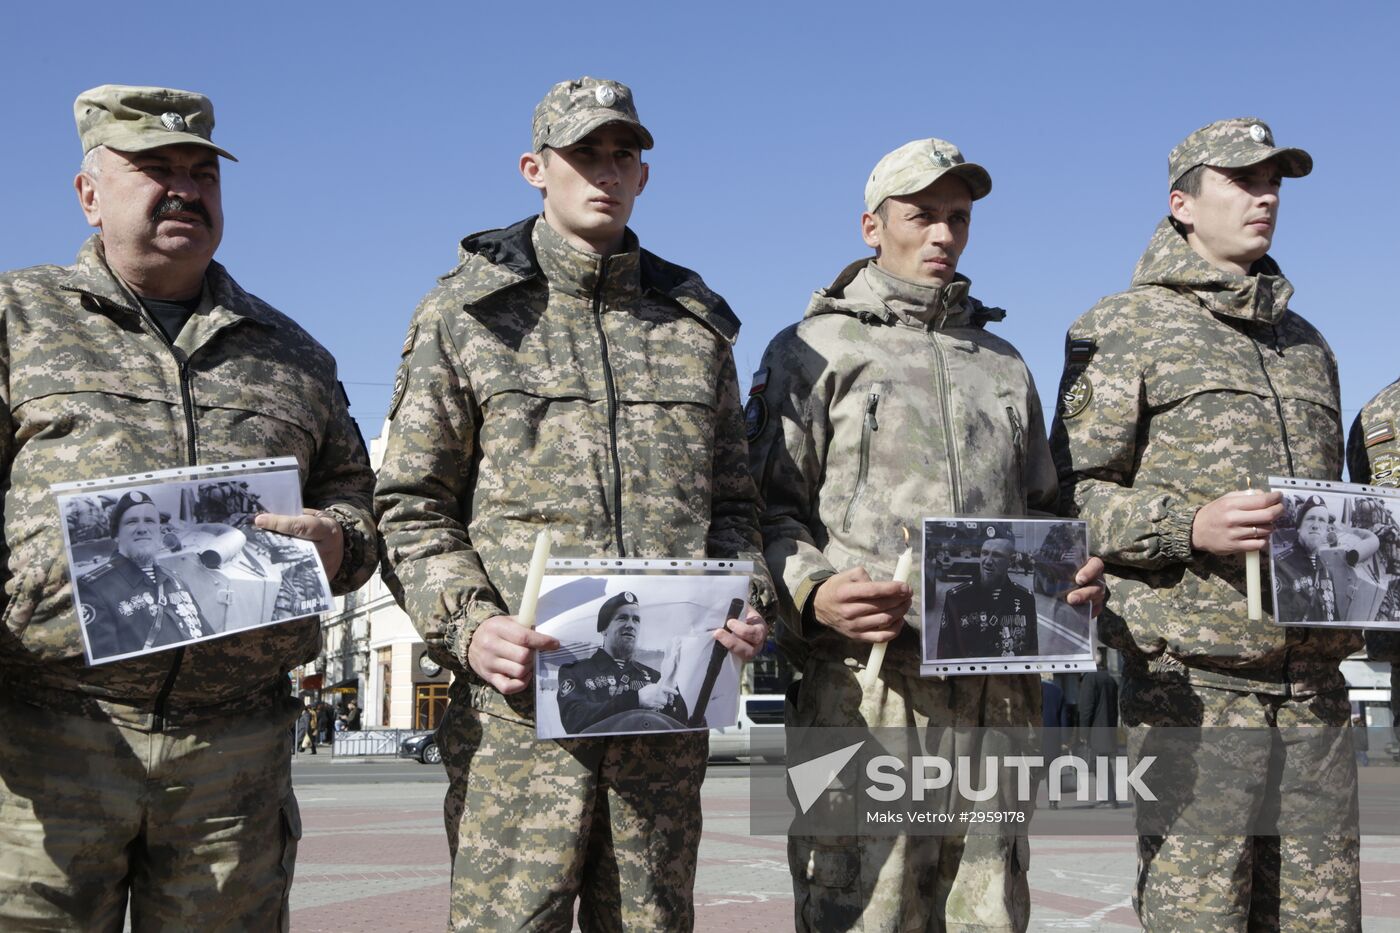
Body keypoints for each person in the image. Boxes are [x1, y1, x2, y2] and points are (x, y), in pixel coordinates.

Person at [374, 76, 773, 930]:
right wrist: (469, 624)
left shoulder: (695, 325)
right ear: (534, 168)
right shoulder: (470, 316)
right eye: (582, 153)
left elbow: (738, 504)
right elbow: (410, 501)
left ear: (643, 176)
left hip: (661, 717)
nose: (605, 171)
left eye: (622, 154)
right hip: (520, 719)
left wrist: (746, 599)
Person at [0, 85, 377, 930]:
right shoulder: (16, 319)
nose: (185, 189)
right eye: (155, 169)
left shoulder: (291, 352)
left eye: (203, 172)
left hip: (232, 759)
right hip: (49, 739)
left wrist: (339, 542)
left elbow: (358, 500)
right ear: (89, 192)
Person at [747, 136, 1104, 932]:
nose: (943, 234)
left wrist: (1069, 575)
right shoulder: (812, 350)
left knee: (990, 911)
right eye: (922, 215)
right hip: (864, 690)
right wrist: (814, 591)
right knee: (861, 907)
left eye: (958, 217)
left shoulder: (1003, 364)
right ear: (871, 225)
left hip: (995, 697)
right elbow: (764, 510)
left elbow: (1043, 508)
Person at [1051, 117, 1360, 929]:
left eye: (1275, 184)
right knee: (1202, 917)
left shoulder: (1310, 346)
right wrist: (1190, 525)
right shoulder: (1123, 325)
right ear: (1181, 203)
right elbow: (1069, 500)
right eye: (1243, 180)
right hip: (1194, 690)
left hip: (1314, 697)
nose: (1266, 197)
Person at [77, 491, 212, 659]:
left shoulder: (175, 580)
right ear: (116, 535)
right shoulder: (93, 590)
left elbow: (209, 639)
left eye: (149, 521)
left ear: (159, 530)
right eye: (131, 522)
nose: (142, 529)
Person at [556, 590, 689, 734]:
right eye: (622, 618)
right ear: (604, 629)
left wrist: (671, 682)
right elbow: (574, 720)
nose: (631, 625)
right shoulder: (576, 672)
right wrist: (635, 700)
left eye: (636, 620)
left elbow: (682, 727)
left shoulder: (654, 677)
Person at [1273, 496, 1380, 623]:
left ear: (1326, 530)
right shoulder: (1281, 567)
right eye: (1310, 519)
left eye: (1322, 520)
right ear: (1299, 527)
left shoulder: (1325, 570)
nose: (1315, 525)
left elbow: (1334, 618)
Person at [937, 536, 1040, 660]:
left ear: (1011, 562)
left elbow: (1032, 654)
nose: (987, 561)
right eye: (984, 553)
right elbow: (944, 656)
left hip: (1010, 678)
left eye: (997, 555)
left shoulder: (1025, 599)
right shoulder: (956, 598)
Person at [1078, 650, 1121, 807]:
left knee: (1100, 762)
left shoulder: (1090, 678)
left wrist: (1083, 732)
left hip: (1096, 729)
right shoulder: (1110, 679)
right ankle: (1108, 797)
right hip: (1108, 726)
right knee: (1100, 762)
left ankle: (1110, 798)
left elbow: (1086, 707)